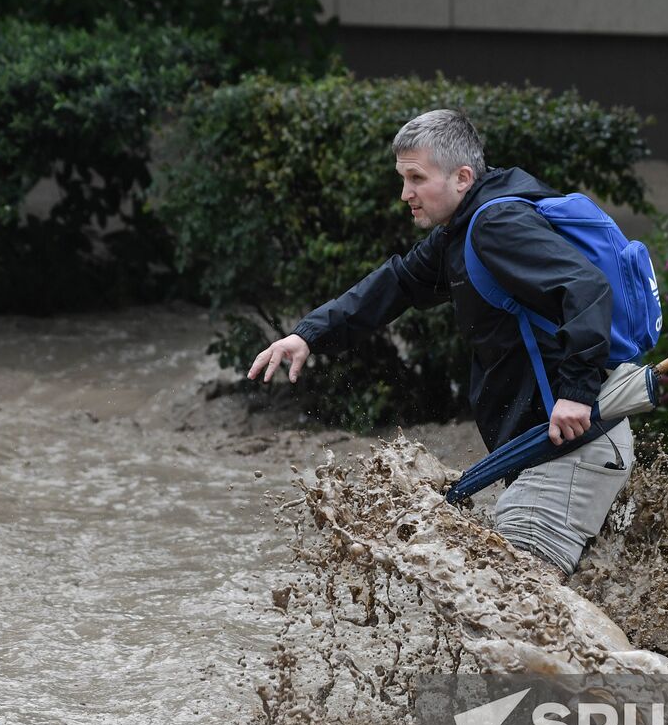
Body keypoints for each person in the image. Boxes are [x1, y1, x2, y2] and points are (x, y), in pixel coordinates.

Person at [247, 109, 632, 577]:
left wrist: (574, 391)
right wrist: (307, 334)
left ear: (462, 177)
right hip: (552, 450)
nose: (405, 194)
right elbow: (399, 283)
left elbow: (587, 289)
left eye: (416, 178)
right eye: (402, 178)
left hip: (571, 447)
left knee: (511, 604)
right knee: (540, 614)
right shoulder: (463, 229)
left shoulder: (497, 226)